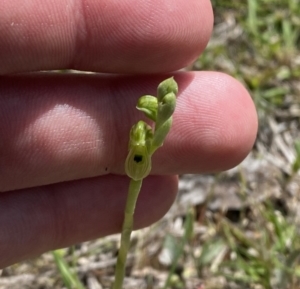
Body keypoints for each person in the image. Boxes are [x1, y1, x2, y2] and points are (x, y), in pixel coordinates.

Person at [0, 0, 258, 268]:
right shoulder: (142, 138)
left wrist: (143, 144)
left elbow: (153, 138)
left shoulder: (155, 132)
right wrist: (139, 143)